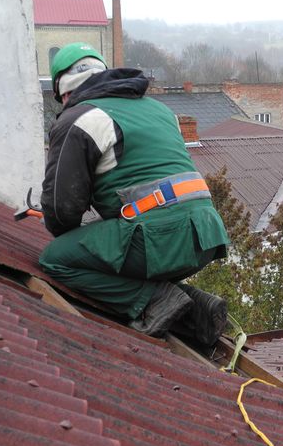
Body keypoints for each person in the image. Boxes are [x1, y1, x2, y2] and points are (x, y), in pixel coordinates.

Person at [39, 42, 230, 346]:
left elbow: (62, 214)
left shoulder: (79, 118)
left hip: (158, 240)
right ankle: (197, 307)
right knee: (132, 248)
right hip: (205, 235)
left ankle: (154, 301)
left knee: (55, 258)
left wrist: (60, 222)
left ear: (63, 90)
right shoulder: (161, 110)